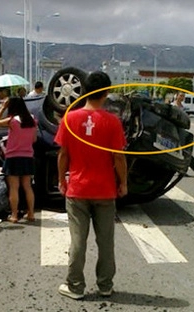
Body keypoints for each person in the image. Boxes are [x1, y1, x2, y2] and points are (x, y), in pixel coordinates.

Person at [54, 71, 127, 300]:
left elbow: (63, 155)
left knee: (78, 240)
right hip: (105, 190)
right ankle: (105, 285)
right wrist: (123, 183)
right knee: (106, 241)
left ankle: (75, 286)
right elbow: (118, 158)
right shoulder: (112, 122)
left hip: (77, 190)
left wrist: (61, 180)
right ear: (106, 92)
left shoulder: (70, 118)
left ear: (84, 90)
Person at [0, 96, 37, 223]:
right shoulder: (32, 120)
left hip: (13, 157)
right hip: (28, 156)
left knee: (14, 187)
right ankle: (31, 214)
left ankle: (15, 215)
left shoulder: (12, 121)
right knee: (27, 186)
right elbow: (34, 140)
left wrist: (2, 108)